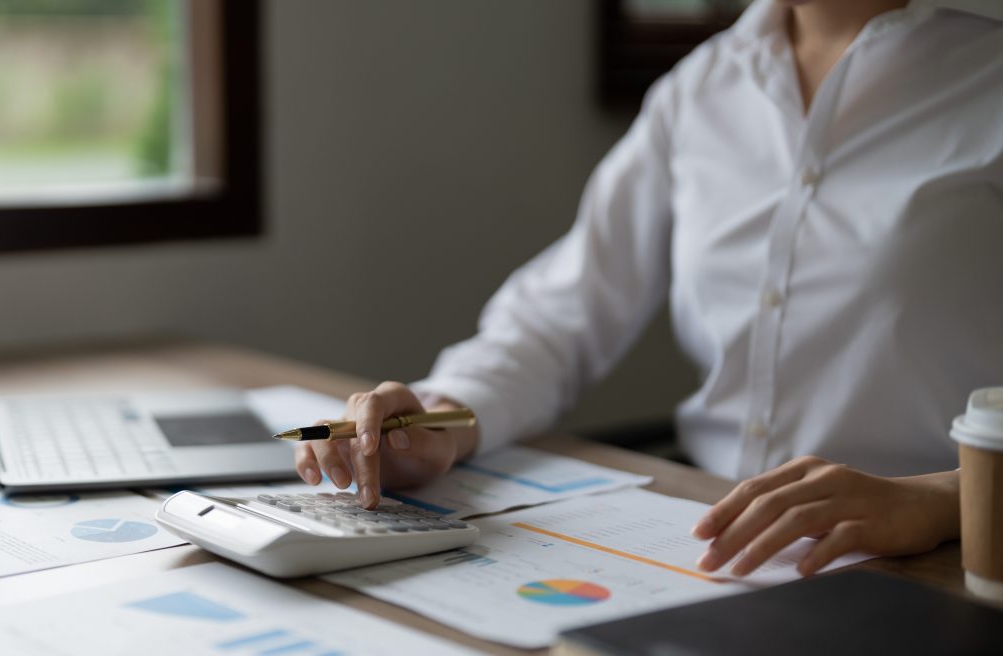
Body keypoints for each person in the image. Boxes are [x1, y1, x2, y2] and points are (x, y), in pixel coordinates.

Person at [294, 0, 1003, 577]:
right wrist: (438, 422)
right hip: (714, 543)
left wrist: (947, 499)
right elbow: (559, 316)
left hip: (949, 563)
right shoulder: (703, 86)